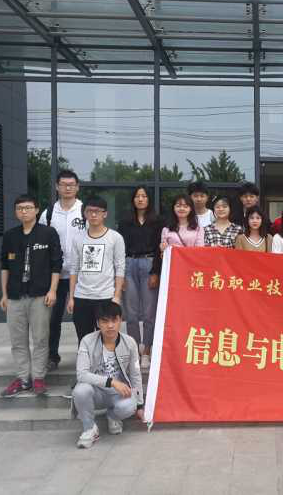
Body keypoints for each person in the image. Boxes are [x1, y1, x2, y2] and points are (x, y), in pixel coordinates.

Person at [0, 194, 63, 397]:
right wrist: (4, 294)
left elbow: (56, 264)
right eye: (20, 208)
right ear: (16, 212)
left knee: (41, 339)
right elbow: (4, 266)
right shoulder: (10, 236)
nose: (24, 211)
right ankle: (22, 379)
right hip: (15, 296)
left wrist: (53, 290)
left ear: (36, 210)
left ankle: (38, 378)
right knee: (18, 341)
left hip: (40, 295)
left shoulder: (48, 233)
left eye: (27, 208)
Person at [72, 302, 143, 449]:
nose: (110, 326)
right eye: (105, 321)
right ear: (98, 323)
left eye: (114, 320)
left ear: (120, 320)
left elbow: (135, 374)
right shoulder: (87, 341)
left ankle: (113, 416)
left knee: (130, 405)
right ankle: (89, 428)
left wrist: (140, 404)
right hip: (96, 392)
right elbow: (82, 374)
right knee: (80, 390)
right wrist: (112, 382)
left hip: (119, 393)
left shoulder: (129, 342)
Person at [39, 169, 85, 372]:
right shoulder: (48, 213)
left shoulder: (84, 211)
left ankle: (85, 357)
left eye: (71, 184)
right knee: (52, 318)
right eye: (64, 184)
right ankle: (51, 356)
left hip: (81, 274)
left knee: (82, 319)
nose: (67, 188)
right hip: (54, 275)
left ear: (77, 187)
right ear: (57, 187)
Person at [67, 197, 126, 344]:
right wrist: (72, 297)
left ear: (105, 214)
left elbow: (120, 268)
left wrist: (117, 296)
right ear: (85, 213)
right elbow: (74, 268)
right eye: (89, 211)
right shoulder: (78, 238)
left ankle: (107, 360)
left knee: (108, 338)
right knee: (84, 339)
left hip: (105, 296)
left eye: (97, 211)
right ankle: (86, 360)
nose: (93, 215)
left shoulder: (115, 238)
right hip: (82, 296)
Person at [117, 186, 161, 370]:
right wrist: (120, 275)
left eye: (144, 196)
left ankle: (147, 350)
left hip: (149, 263)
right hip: (129, 264)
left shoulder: (158, 221)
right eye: (137, 196)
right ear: (133, 199)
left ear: (149, 199)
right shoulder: (125, 221)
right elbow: (119, 248)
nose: (140, 199)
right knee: (131, 313)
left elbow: (159, 249)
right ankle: (135, 350)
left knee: (150, 313)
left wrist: (155, 272)